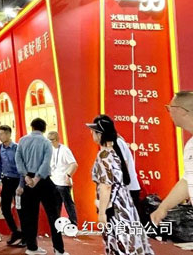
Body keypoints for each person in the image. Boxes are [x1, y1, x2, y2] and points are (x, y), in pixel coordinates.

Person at [86, 115, 154, 254]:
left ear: (100, 134)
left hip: (114, 205)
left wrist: (102, 213)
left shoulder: (104, 155)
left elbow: (106, 186)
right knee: (128, 239)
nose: (91, 133)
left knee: (118, 241)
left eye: (93, 131)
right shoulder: (113, 151)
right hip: (123, 201)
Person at [15, 118, 67, 255]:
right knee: (53, 215)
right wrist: (37, 178)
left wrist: (26, 176)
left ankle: (31, 247)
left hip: (27, 181)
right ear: (44, 129)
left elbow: (18, 160)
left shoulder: (22, 140)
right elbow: (45, 162)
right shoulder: (46, 142)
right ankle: (59, 249)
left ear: (32, 127)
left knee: (29, 216)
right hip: (43, 181)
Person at [151, 91, 193, 225]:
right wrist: (163, 207)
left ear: (181, 111)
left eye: (170, 108)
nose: (169, 113)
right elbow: (188, 180)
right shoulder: (190, 145)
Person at [0, 125, 24, 246]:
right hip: (6, 181)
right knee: (5, 209)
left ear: (8, 134)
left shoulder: (17, 148)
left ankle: (25, 235)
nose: (0, 136)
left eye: (2, 134)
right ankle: (15, 231)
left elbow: (22, 167)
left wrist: (21, 184)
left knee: (20, 209)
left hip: (17, 181)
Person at [47, 131, 78, 226]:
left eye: (51, 140)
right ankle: (56, 224)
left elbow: (74, 164)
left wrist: (68, 175)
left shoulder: (65, 150)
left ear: (56, 139)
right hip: (53, 181)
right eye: (48, 140)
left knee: (68, 204)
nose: (49, 142)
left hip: (63, 181)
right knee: (55, 205)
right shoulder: (50, 150)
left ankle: (73, 223)